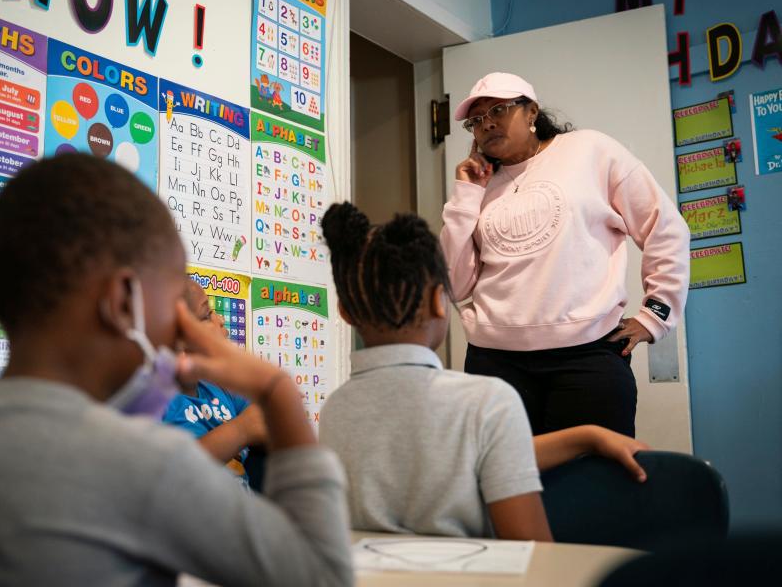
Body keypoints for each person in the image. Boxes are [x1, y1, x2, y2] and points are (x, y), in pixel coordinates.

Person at [0, 154, 352, 587]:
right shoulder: (140, 462)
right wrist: (276, 389)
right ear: (123, 302)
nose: (181, 323)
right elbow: (323, 576)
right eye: (173, 298)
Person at [319, 202, 649, 540]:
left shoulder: (336, 409)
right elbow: (532, 549)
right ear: (438, 301)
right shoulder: (487, 402)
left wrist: (586, 437)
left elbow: (468, 453)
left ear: (345, 312)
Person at [441, 72, 690, 437]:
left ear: (531, 113)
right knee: (507, 487)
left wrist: (655, 315)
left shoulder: (590, 150)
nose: (487, 123)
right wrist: (465, 195)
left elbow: (664, 227)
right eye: (475, 121)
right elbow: (456, 284)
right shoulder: (479, 184)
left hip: (587, 356)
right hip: (494, 363)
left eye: (498, 110)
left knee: (592, 485)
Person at [161, 280, 266, 487]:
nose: (221, 320)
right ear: (178, 340)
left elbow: (266, 418)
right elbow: (181, 468)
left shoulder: (218, 388)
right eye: (207, 315)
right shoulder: (162, 405)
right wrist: (243, 429)